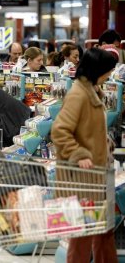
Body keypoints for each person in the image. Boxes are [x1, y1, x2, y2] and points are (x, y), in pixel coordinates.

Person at [51, 48, 118, 263]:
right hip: (82, 178)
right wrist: (78, 154)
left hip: (97, 175)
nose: (110, 75)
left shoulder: (91, 91)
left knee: (104, 230)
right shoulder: (79, 94)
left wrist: (105, 143)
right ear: (97, 69)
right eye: (108, 70)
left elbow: (88, 130)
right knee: (84, 233)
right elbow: (59, 130)